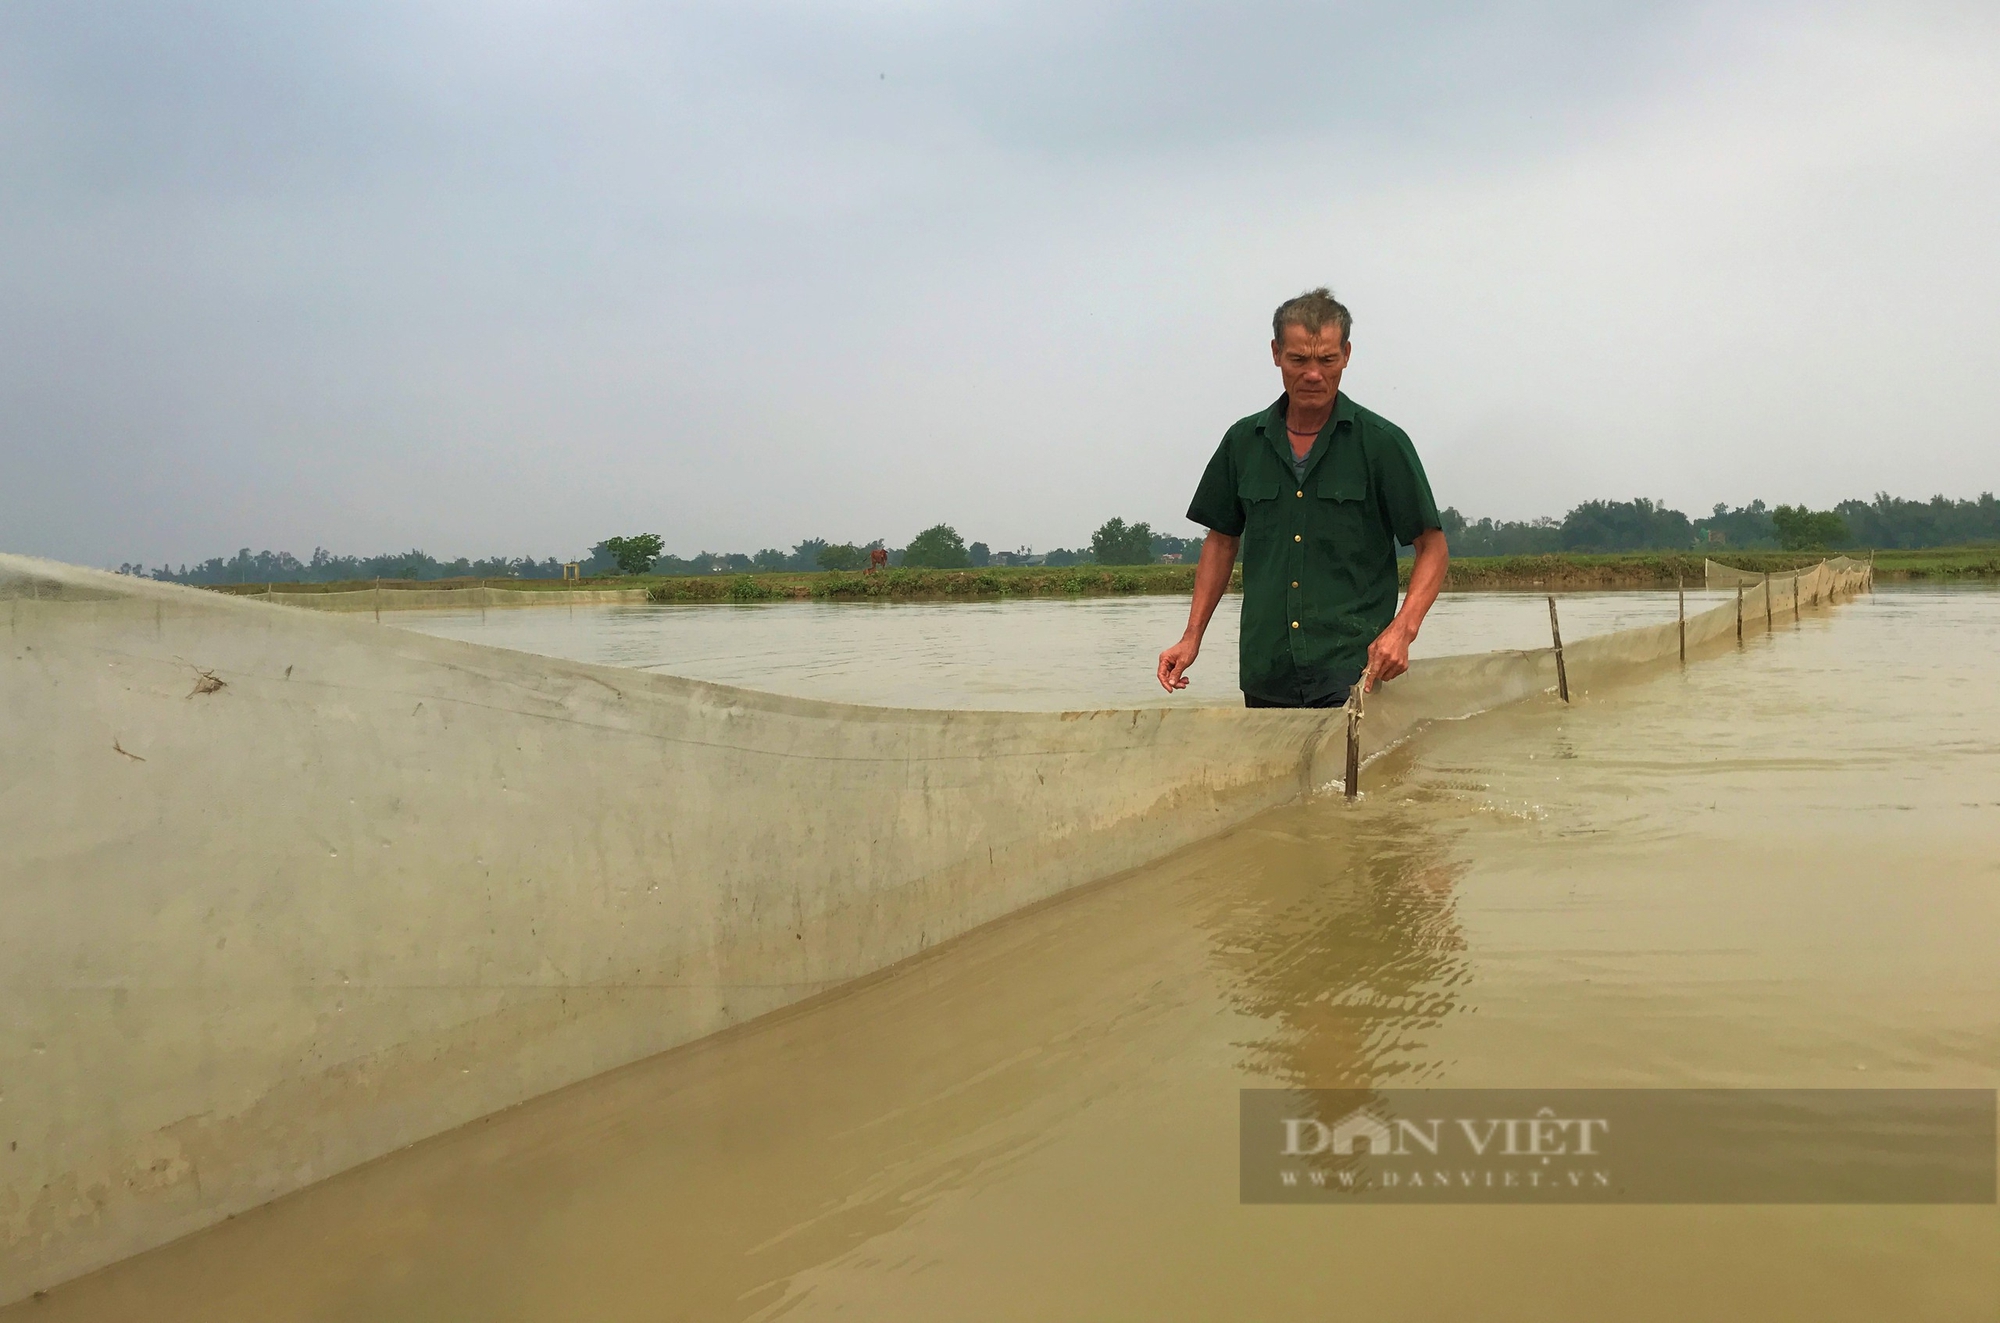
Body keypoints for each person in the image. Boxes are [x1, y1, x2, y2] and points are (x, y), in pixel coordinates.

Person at [1156, 288, 1448, 707]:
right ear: (1276, 353)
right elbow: (1220, 542)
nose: (1314, 374)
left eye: (1327, 359)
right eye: (1299, 359)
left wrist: (1402, 630)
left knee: (1352, 775)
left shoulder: (1382, 444)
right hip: (1266, 667)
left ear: (1346, 354)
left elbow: (1432, 546)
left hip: (1355, 668)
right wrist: (1191, 638)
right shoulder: (1243, 442)